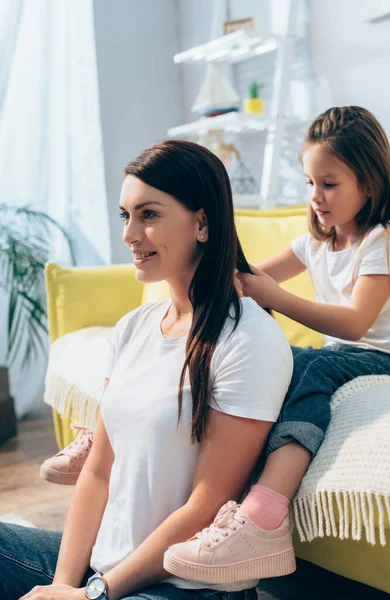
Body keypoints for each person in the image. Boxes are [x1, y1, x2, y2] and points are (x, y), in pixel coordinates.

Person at [0, 140, 294, 600]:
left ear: (202, 222)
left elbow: (208, 503)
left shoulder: (248, 339)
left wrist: (93, 594)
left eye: (149, 215)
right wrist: (62, 587)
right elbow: (98, 473)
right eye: (125, 215)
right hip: (105, 569)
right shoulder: (133, 328)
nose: (129, 234)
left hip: (187, 587)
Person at [163, 106, 390, 584]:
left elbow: (356, 323)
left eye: (329, 184)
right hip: (343, 359)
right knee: (262, 363)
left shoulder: (384, 239)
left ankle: (264, 517)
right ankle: (131, 430)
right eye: (309, 182)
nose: (316, 196)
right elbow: (248, 275)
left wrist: (274, 296)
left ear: (369, 184)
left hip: (386, 360)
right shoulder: (315, 242)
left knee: (309, 366)